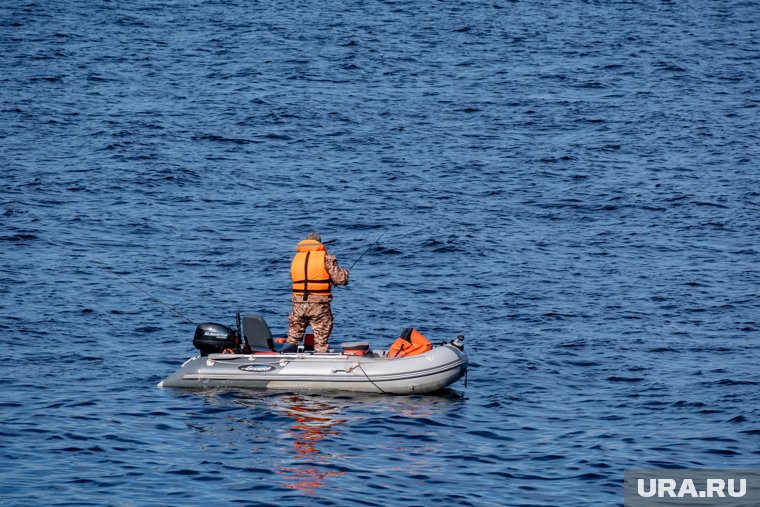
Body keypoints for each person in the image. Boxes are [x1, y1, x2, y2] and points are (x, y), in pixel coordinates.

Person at [287, 232, 349, 353]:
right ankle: (320, 361)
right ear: (319, 243)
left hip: (298, 305)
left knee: (293, 339)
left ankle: (285, 359)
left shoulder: (296, 258)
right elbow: (341, 279)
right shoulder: (326, 258)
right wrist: (345, 272)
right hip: (319, 306)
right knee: (320, 342)